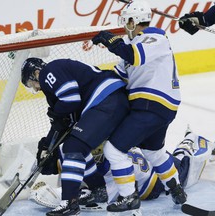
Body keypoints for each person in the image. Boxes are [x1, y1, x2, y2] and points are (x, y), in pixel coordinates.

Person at [91, 0, 186, 214]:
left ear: (133, 22)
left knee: (113, 150)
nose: (125, 27)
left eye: (127, 22)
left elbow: (134, 56)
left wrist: (111, 41)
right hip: (157, 108)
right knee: (155, 153)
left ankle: (128, 197)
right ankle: (176, 188)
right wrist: (89, 75)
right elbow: (119, 75)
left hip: (151, 105)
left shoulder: (155, 37)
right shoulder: (135, 46)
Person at [20, 57, 130, 216]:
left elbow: (70, 99)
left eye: (31, 84)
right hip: (109, 101)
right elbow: (65, 122)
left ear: (35, 73)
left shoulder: (48, 71)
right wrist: (47, 146)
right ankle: (98, 188)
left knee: (74, 147)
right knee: (68, 147)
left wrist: (57, 113)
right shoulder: (55, 83)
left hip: (106, 100)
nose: (36, 89)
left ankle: (69, 203)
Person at [29, 128, 214, 210]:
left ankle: (194, 139)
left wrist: (66, 194)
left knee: (187, 162)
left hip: (154, 182)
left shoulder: (106, 164)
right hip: (144, 160)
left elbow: (99, 193)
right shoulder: (98, 146)